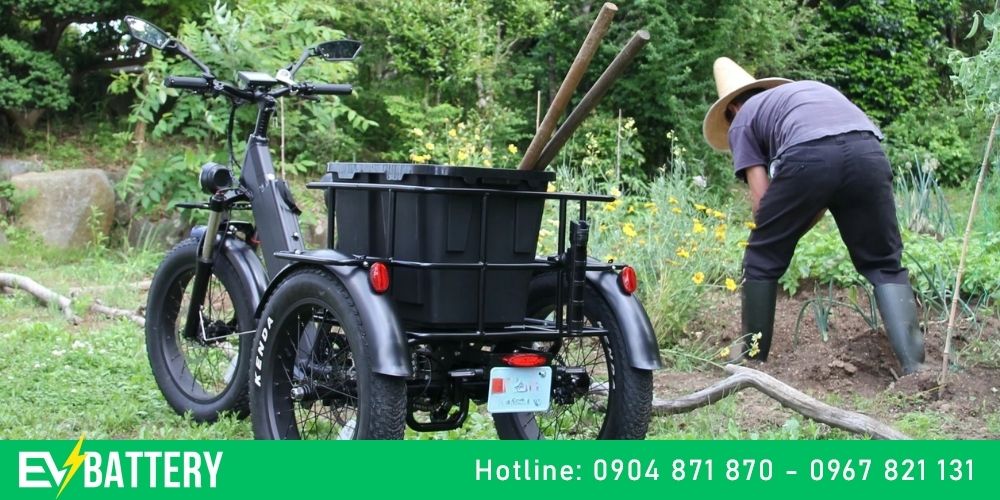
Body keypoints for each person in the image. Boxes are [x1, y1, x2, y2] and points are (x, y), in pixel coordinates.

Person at [702, 57, 925, 375]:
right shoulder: (802, 95)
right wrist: (792, 223)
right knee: (884, 262)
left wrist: (775, 238)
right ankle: (915, 369)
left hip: (809, 154)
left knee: (760, 257)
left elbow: (762, 205)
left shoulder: (742, 119)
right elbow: (820, 191)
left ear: (733, 108)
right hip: (867, 151)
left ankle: (751, 361)